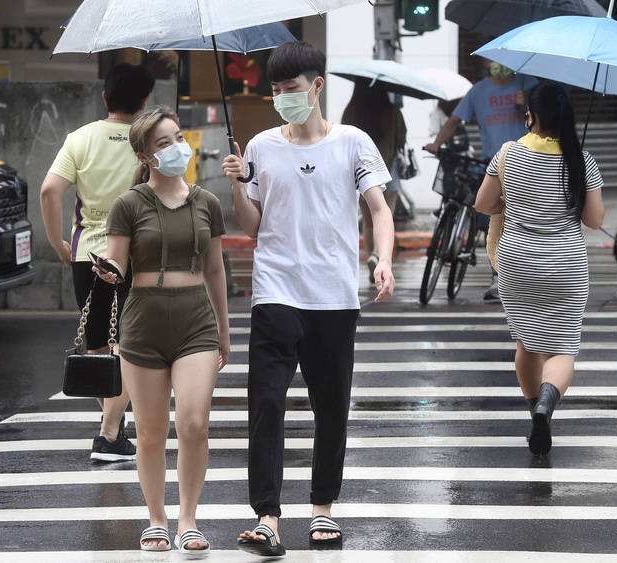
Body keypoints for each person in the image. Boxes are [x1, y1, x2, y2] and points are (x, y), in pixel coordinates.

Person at [221, 40, 395, 557]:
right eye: (274, 90)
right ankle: (267, 517)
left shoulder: (353, 143)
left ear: (317, 86)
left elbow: (379, 209)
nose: (282, 98)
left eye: (290, 89)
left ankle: (322, 510)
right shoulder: (257, 148)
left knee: (331, 407)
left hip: (334, 295)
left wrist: (382, 259)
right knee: (267, 404)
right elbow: (253, 226)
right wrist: (237, 184)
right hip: (275, 290)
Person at [95, 106, 230, 553]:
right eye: (163, 143)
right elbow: (117, 260)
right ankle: (157, 518)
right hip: (143, 319)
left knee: (194, 424)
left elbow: (215, 272)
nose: (176, 148)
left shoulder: (207, 202)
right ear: (145, 154)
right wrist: (109, 271)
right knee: (151, 433)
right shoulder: (129, 204)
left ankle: (188, 518)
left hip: (196, 321)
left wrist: (224, 332)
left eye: (177, 138)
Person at [474, 82, 605, 456]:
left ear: (530, 115)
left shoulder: (507, 153)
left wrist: (513, 203)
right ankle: (548, 403)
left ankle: (535, 409)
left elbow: (484, 203)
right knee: (562, 349)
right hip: (565, 265)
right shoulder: (582, 160)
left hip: (515, 263)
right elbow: (594, 220)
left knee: (526, 342)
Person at [40, 63, 154, 462]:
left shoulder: (81, 138)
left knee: (100, 345)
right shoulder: (148, 139)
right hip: (136, 253)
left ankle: (113, 430)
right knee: (129, 343)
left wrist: (58, 243)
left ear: (105, 97)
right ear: (144, 102)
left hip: (86, 253)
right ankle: (108, 434)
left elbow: (50, 190)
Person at [425, 60, 531, 301]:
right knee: (490, 221)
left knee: (524, 223)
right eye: (491, 60)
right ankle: (498, 277)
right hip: (492, 165)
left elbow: (552, 118)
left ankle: (526, 276)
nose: (497, 65)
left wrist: (528, 105)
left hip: (526, 164)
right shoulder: (478, 91)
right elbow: (454, 120)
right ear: (485, 62)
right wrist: (436, 144)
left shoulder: (528, 86)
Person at [341, 82, 406, 282]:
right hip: (389, 171)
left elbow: (344, 139)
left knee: (369, 221)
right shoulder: (392, 111)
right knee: (385, 214)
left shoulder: (351, 110)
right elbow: (402, 139)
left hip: (362, 173)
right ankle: (378, 256)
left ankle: (371, 256)